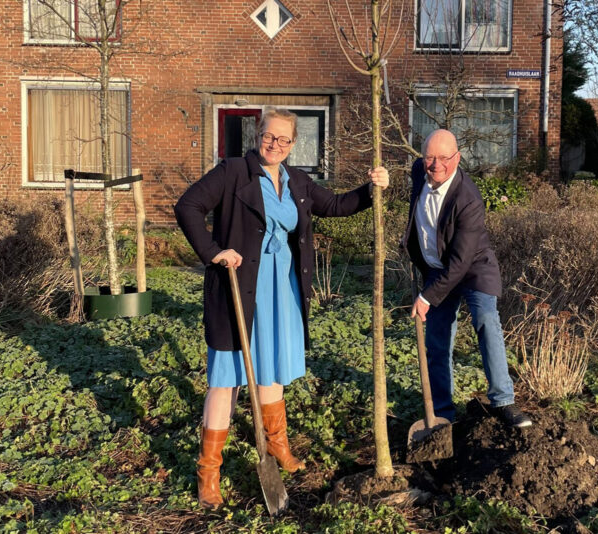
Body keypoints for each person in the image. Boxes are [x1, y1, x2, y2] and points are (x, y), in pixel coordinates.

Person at [174, 108, 389, 509]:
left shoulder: (298, 182)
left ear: (294, 144)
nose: (275, 145)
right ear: (259, 135)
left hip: (281, 289)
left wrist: (372, 188)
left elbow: (338, 205)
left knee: (269, 367)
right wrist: (213, 251)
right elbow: (187, 206)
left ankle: (277, 448)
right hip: (240, 286)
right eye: (269, 137)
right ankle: (209, 471)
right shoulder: (234, 171)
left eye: (284, 140)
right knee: (227, 378)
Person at [401, 129, 531, 429]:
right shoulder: (419, 171)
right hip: (437, 267)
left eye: (443, 158)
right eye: (429, 158)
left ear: (457, 158)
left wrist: (425, 297)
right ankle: (443, 412)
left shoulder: (468, 199)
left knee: (486, 319)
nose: (435, 165)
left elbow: (460, 263)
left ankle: (503, 401)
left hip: (472, 268)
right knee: (437, 339)